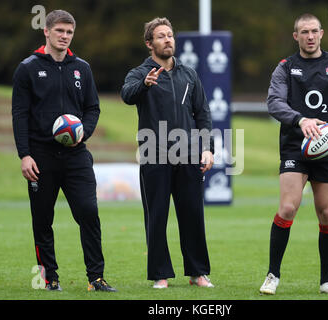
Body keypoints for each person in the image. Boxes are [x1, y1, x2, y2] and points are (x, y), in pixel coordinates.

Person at [12, 10, 116, 292]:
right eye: (59, 31)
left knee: (89, 212)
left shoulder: (82, 67)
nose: (64, 36)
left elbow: (93, 108)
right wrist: (25, 154)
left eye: (69, 32)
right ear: (46, 31)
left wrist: (83, 133)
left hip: (76, 155)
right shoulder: (28, 68)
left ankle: (96, 278)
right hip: (40, 157)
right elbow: (19, 115)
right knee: (43, 220)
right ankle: (50, 278)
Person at [259, 13, 328, 295]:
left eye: (314, 31)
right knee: (288, 207)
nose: (310, 36)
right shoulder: (285, 68)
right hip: (296, 146)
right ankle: (272, 275)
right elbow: (274, 102)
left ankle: (327, 280)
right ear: (296, 36)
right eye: (304, 32)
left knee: (327, 213)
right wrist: (300, 120)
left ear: (322, 33)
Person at [120, 17, 214, 289]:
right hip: (154, 153)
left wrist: (207, 149)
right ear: (150, 43)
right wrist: (144, 85)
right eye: (161, 36)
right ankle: (160, 275)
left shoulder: (189, 74)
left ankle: (198, 273)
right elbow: (127, 95)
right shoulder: (139, 73)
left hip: (188, 155)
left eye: (170, 35)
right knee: (157, 216)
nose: (168, 40)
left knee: (193, 215)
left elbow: (203, 114)